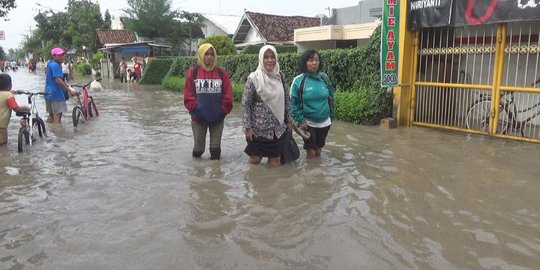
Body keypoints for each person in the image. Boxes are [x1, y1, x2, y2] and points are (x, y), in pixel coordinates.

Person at [242, 45, 292, 166]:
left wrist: (289, 120)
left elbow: (286, 99)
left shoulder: (280, 76)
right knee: (255, 160)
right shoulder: (253, 78)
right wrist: (248, 128)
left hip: (277, 129)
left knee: (275, 161)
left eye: (272, 57)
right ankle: (253, 184)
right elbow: (246, 104)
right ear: (261, 59)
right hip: (258, 130)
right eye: (266, 57)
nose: (270, 60)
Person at [183, 43, 233, 160]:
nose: (209, 57)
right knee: (199, 149)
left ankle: (216, 175)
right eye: (206, 54)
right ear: (201, 55)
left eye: (211, 54)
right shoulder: (193, 72)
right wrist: (196, 109)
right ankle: (197, 172)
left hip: (217, 117)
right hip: (198, 118)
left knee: (215, 150)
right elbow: (188, 95)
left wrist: (222, 111)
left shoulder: (222, 73)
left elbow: (228, 95)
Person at [290, 49, 334, 159]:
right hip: (308, 124)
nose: (314, 63)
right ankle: (310, 174)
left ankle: (318, 174)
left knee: (319, 150)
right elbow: (293, 103)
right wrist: (300, 120)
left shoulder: (324, 78)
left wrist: (331, 116)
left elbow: (331, 98)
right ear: (305, 63)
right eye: (310, 60)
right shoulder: (298, 81)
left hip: (325, 123)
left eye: (317, 60)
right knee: (311, 152)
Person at [44, 47, 77, 124]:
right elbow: (58, 80)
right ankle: (58, 134)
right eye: (59, 55)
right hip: (56, 94)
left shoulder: (50, 64)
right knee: (57, 117)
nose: (62, 57)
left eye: (62, 55)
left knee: (51, 116)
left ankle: (49, 132)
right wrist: (69, 91)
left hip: (48, 93)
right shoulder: (56, 65)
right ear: (54, 56)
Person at [0, 74, 29, 145]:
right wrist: (26, 108)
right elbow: (16, 108)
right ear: (10, 85)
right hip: (1, 126)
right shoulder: (9, 96)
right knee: (3, 145)